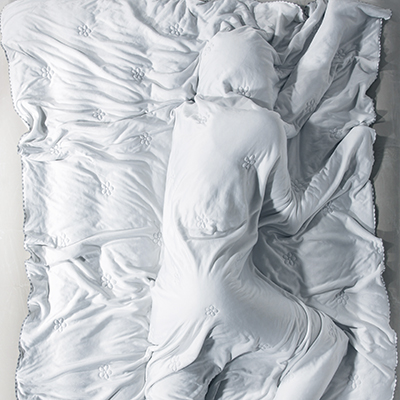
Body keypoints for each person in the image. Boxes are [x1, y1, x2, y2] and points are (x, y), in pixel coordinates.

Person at [144, 26, 374, 400]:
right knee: (324, 343)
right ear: (259, 78)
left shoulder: (185, 118)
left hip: (173, 304)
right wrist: (348, 152)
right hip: (226, 291)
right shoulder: (265, 125)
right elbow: (290, 216)